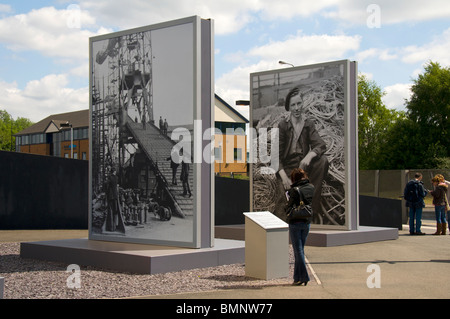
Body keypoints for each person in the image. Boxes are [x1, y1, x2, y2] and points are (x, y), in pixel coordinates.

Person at [275, 86, 329, 223]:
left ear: (303, 104)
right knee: (284, 197)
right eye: (293, 105)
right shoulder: (283, 126)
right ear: (289, 107)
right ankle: (285, 227)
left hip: (303, 165)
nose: (297, 107)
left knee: (322, 160)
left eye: (299, 103)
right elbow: (275, 155)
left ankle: (310, 209)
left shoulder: (308, 124)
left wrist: (309, 155)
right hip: (288, 167)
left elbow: (320, 144)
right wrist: (284, 177)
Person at [285, 168, 314, 286]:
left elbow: (290, 206)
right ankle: (297, 277)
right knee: (300, 250)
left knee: (298, 251)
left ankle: (304, 277)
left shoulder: (294, 190)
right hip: (306, 222)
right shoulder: (311, 187)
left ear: (294, 178)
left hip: (295, 222)